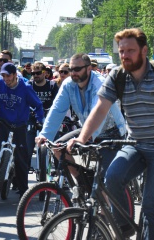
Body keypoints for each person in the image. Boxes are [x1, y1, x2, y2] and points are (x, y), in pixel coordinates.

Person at [67, 28, 154, 239]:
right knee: (112, 178)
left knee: (151, 206)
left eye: (130, 50)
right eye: (121, 51)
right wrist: (82, 137)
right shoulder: (117, 76)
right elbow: (100, 108)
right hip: (135, 144)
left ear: (144, 50)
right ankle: (123, 229)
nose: (124, 55)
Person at [36, 53, 126, 199]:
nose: (73, 73)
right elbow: (57, 110)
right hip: (87, 130)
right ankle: (82, 180)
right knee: (57, 147)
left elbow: (99, 113)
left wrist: (84, 138)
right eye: (71, 69)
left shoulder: (100, 84)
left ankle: (104, 216)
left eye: (77, 69)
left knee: (103, 183)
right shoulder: (68, 84)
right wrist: (44, 135)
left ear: (89, 68)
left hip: (112, 133)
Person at [0, 63, 44, 198]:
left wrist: (40, 120)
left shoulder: (26, 88)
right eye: (3, 76)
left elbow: (38, 105)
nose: (6, 79)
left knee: (21, 159)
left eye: (8, 76)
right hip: (3, 123)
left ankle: (24, 190)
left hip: (20, 126)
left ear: (15, 75)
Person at [26, 61, 59, 166]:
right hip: (32, 117)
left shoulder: (52, 85)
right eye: (33, 73)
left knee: (56, 142)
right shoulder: (29, 85)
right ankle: (24, 169)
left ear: (45, 73)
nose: (35, 75)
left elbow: (57, 102)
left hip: (48, 117)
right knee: (27, 144)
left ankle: (59, 171)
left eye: (38, 73)